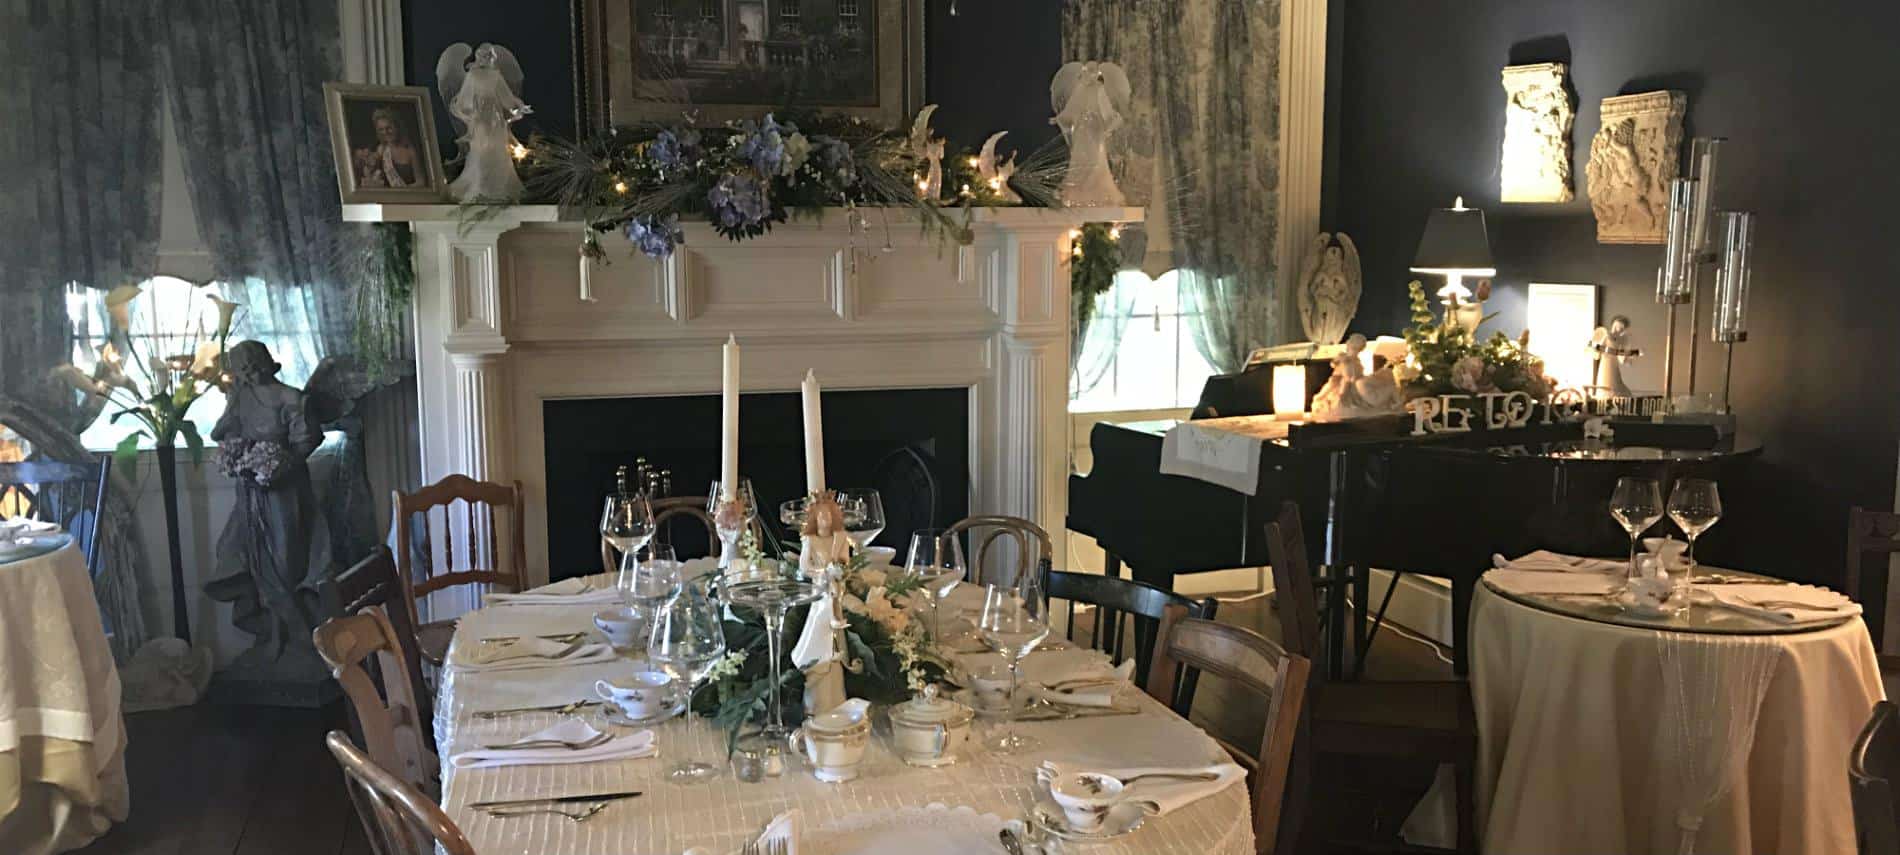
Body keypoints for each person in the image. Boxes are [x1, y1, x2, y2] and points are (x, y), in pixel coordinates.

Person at [204, 341, 329, 669]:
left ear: (264, 361)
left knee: (286, 564)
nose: (247, 372)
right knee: (241, 554)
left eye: (251, 364)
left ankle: (299, 639)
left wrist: (278, 463)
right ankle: (273, 635)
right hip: (250, 492)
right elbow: (219, 432)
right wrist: (235, 432)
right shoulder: (242, 397)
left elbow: (309, 441)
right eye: (240, 367)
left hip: (286, 494)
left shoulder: (291, 398)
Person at [353, 106, 423, 188]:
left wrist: (403, 191)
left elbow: (421, 182)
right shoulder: (382, 149)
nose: (385, 132)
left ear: (397, 127)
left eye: (389, 128)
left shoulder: (410, 150)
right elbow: (370, 167)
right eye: (381, 129)